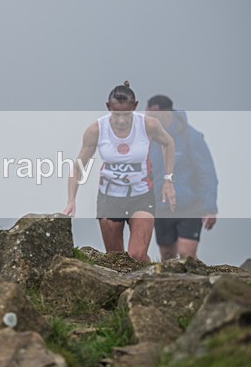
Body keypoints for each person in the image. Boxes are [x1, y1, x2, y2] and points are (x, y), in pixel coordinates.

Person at [62, 81, 176, 263]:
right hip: (110, 197)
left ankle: (153, 279)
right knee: (116, 260)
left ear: (135, 107)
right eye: (116, 114)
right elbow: (77, 167)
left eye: (126, 114)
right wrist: (71, 200)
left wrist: (168, 180)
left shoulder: (148, 125)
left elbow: (168, 143)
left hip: (141, 194)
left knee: (136, 256)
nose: (121, 120)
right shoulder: (96, 130)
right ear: (108, 108)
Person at [146, 95, 218, 260]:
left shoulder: (190, 137)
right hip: (161, 207)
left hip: (189, 205)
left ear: (166, 114)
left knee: (187, 255)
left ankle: (203, 284)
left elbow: (207, 173)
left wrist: (210, 208)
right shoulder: (148, 138)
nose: (148, 120)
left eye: (153, 116)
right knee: (167, 258)